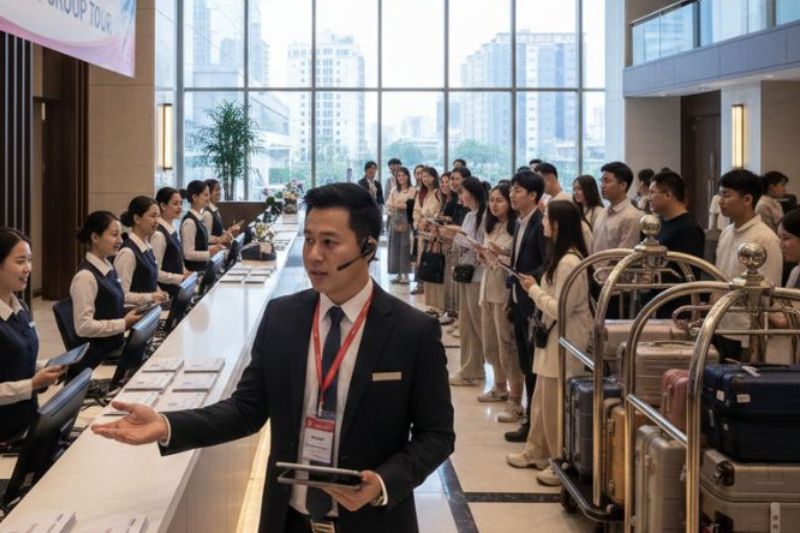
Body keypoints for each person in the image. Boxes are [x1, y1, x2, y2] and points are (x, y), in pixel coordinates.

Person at [92, 183, 455, 533]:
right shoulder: (283, 317)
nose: (314, 255)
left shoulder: (412, 331)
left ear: (368, 248)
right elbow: (246, 410)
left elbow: (437, 434)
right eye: (309, 240)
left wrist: (384, 481)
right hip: (288, 520)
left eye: (329, 242)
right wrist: (167, 425)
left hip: (373, 522)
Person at [506, 200, 591, 487]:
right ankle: (536, 451)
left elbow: (560, 309)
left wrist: (533, 290)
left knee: (556, 406)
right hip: (551, 341)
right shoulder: (561, 257)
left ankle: (559, 462)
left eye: (546, 219)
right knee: (542, 400)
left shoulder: (569, 262)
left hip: (564, 341)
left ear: (557, 224)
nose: (542, 223)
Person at [0, 228, 66, 441]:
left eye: (29, 260)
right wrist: (32, 385)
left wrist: (47, 367)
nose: (28, 268)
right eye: (20, 261)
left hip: (27, 423)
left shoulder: (20, 306)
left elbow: (16, 361)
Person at [714, 168, 782, 359]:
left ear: (747, 199)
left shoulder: (765, 238)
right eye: (720, 195)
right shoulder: (727, 232)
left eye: (726, 195)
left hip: (745, 331)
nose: (720, 201)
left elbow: (769, 292)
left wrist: (754, 340)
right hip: (721, 323)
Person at [69, 211, 143, 379]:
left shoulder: (108, 267)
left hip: (114, 349)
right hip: (97, 361)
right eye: (114, 235)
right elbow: (83, 327)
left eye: (120, 235)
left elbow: (111, 305)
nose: (120, 241)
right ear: (95, 237)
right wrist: (123, 323)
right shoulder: (85, 277)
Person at [504, 170, 548, 443]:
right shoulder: (520, 222)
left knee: (534, 366)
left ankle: (534, 423)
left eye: (518, 190)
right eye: (512, 189)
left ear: (533, 195)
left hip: (535, 303)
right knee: (525, 363)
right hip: (519, 300)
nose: (512, 194)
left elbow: (547, 264)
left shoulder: (541, 223)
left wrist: (527, 278)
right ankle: (529, 420)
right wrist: (511, 298)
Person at [475, 183, 524, 421]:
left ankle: (516, 398)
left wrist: (500, 254)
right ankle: (499, 385)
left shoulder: (517, 227)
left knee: (508, 344)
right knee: (491, 341)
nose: (494, 205)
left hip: (504, 290)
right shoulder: (491, 225)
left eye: (499, 200)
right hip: (488, 287)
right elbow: (489, 258)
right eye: (491, 200)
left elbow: (516, 262)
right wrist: (483, 254)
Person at [440, 178, 487, 386]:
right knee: (467, 324)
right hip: (467, 273)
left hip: (478, 274)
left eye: (463, 192)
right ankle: (471, 368)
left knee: (476, 324)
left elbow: (478, 244)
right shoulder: (470, 215)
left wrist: (454, 236)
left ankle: (474, 369)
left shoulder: (484, 216)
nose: (460, 197)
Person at [646, 170, 706, 318]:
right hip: (661, 300)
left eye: (652, 192)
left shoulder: (688, 228)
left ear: (668, 195)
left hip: (679, 307)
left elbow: (688, 274)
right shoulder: (661, 223)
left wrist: (654, 277)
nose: (648, 198)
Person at [114, 196, 169, 306]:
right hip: (136, 313)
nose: (157, 221)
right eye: (153, 216)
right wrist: (151, 297)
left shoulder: (147, 247)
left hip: (150, 310)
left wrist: (160, 294)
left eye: (158, 216)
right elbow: (121, 295)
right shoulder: (127, 253)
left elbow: (150, 282)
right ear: (137, 219)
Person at [592, 161, 642, 253]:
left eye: (607, 181)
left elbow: (623, 255)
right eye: (602, 181)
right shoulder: (602, 212)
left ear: (622, 185)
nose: (602, 186)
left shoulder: (632, 216)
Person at [152, 187, 190, 299]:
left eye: (181, 203)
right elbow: (155, 273)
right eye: (175, 204)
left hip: (177, 290)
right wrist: (180, 278)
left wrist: (186, 273)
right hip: (166, 295)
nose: (180, 207)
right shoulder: (158, 235)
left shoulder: (171, 229)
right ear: (163, 206)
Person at [181, 180, 224, 272]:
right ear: (195, 197)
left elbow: (201, 246)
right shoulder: (189, 222)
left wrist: (214, 248)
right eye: (205, 195)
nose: (208, 198)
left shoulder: (199, 218)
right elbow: (188, 253)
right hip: (195, 272)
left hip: (203, 269)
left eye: (208, 195)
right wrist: (209, 253)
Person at [411, 167, 442, 296]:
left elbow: (440, 210)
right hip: (422, 230)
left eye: (428, 176)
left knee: (431, 257)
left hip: (433, 229)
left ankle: (429, 284)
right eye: (423, 176)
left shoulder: (438, 192)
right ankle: (421, 283)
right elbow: (416, 211)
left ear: (434, 177)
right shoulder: (421, 194)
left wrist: (430, 221)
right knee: (421, 257)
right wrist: (418, 223)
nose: (425, 179)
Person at [386, 167, 416, 284]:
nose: (401, 178)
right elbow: (389, 204)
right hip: (395, 220)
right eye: (399, 176)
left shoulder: (412, 190)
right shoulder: (394, 190)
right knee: (394, 247)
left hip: (407, 220)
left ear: (408, 176)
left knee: (405, 246)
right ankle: (397, 274)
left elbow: (411, 205)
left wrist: (399, 205)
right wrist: (398, 205)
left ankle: (406, 275)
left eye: (403, 175)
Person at [203, 179, 238, 244]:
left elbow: (220, 232)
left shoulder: (215, 210)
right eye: (216, 190)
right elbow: (206, 237)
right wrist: (221, 238)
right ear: (208, 193)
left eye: (220, 189)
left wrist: (228, 232)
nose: (219, 192)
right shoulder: (207, 214)